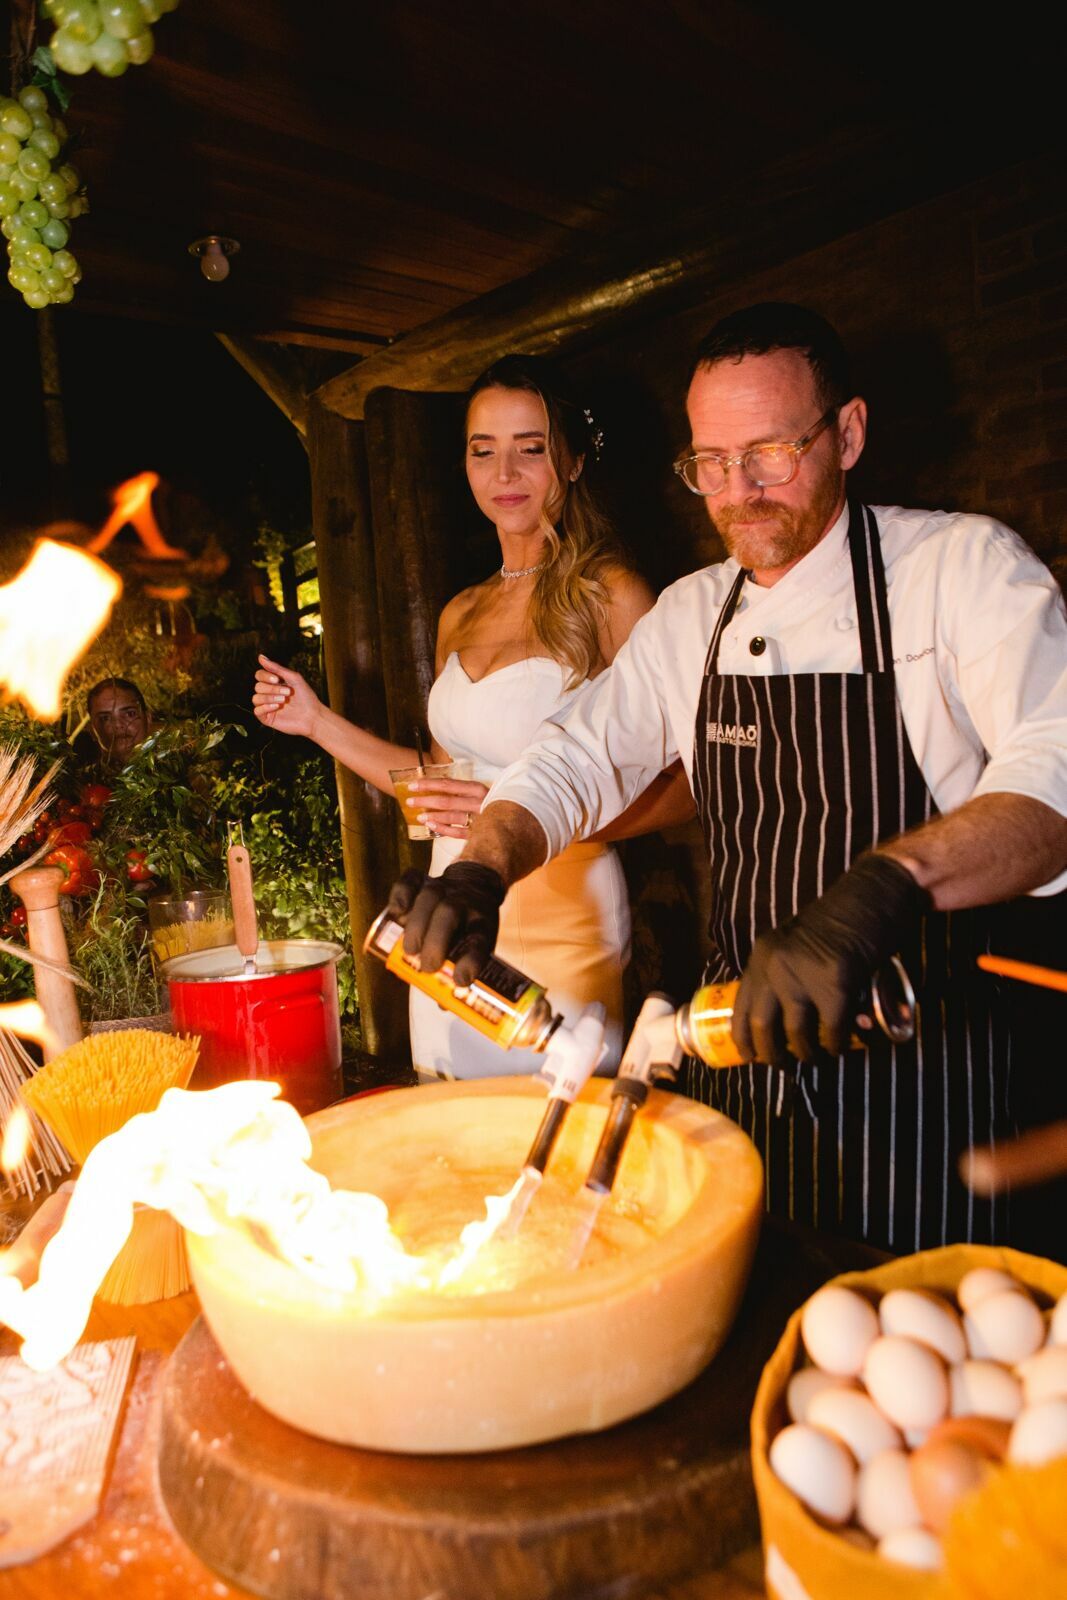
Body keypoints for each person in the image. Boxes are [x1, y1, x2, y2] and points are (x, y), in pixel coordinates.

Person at [393, 302, 1067, 1253]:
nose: (737, 491)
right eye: (709, 462)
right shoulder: (693, 616)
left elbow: (1053, 772)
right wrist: (481, 867)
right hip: (736, 1048)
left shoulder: (958, 571)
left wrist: (885, 884)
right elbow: (574, 755)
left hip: (921, 1062)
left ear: (847, 434)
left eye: (770, 454)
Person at [253, 354, 692, 1079]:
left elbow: (688, 786)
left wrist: (525, 817)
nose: (504, 473)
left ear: (573, 460)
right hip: (450, 914)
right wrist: (316, 721)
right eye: (482, 451)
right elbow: (438, 782)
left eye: (531, 448)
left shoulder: (613, 595)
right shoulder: (460, 610)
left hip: (564, 914)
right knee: (452, 1116)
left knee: (556, 1115)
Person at [84, 677, 151, 769]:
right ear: (92, 730)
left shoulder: (170, 770)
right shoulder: (80, 777)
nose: (118, 725)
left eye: (130, 714)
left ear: (148, 719)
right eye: (105, 718)